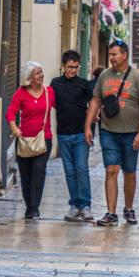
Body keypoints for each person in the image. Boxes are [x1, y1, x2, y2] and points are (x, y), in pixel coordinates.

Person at [84, 41, 139, 226]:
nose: (111, 58)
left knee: (129, 171)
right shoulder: (104, 76)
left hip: (131, 133)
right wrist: (88, 126)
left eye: (114, 54)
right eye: (110, 54)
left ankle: (128, 208)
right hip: (108, 131)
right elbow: (96, 101)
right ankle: (111, 213)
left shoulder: (137, 77)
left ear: (125, 55)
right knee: (111, 169)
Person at [6, 61, 56, 219]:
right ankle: (29, 205)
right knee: (26, 174)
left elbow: (62, 106)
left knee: (39, 172)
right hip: (24, 141)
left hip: (44, 139)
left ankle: (34, 207)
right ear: (29, 77)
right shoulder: (21, 93)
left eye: (41, 72)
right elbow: (10, 113)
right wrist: (14, 127)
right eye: (37, 73)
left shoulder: (49, 92)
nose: (41, 75)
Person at [50, 50, 94, 222]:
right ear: (63, 66)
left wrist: (90, 125)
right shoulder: (55, 83)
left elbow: (93, 104)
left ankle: (85, 205)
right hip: (63, 134)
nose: (72, 70)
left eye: (75, 67)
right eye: (69, 67)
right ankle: (75, 205)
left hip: (81, 134)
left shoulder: (84, 84)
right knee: (69, 171)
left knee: (82, 169)